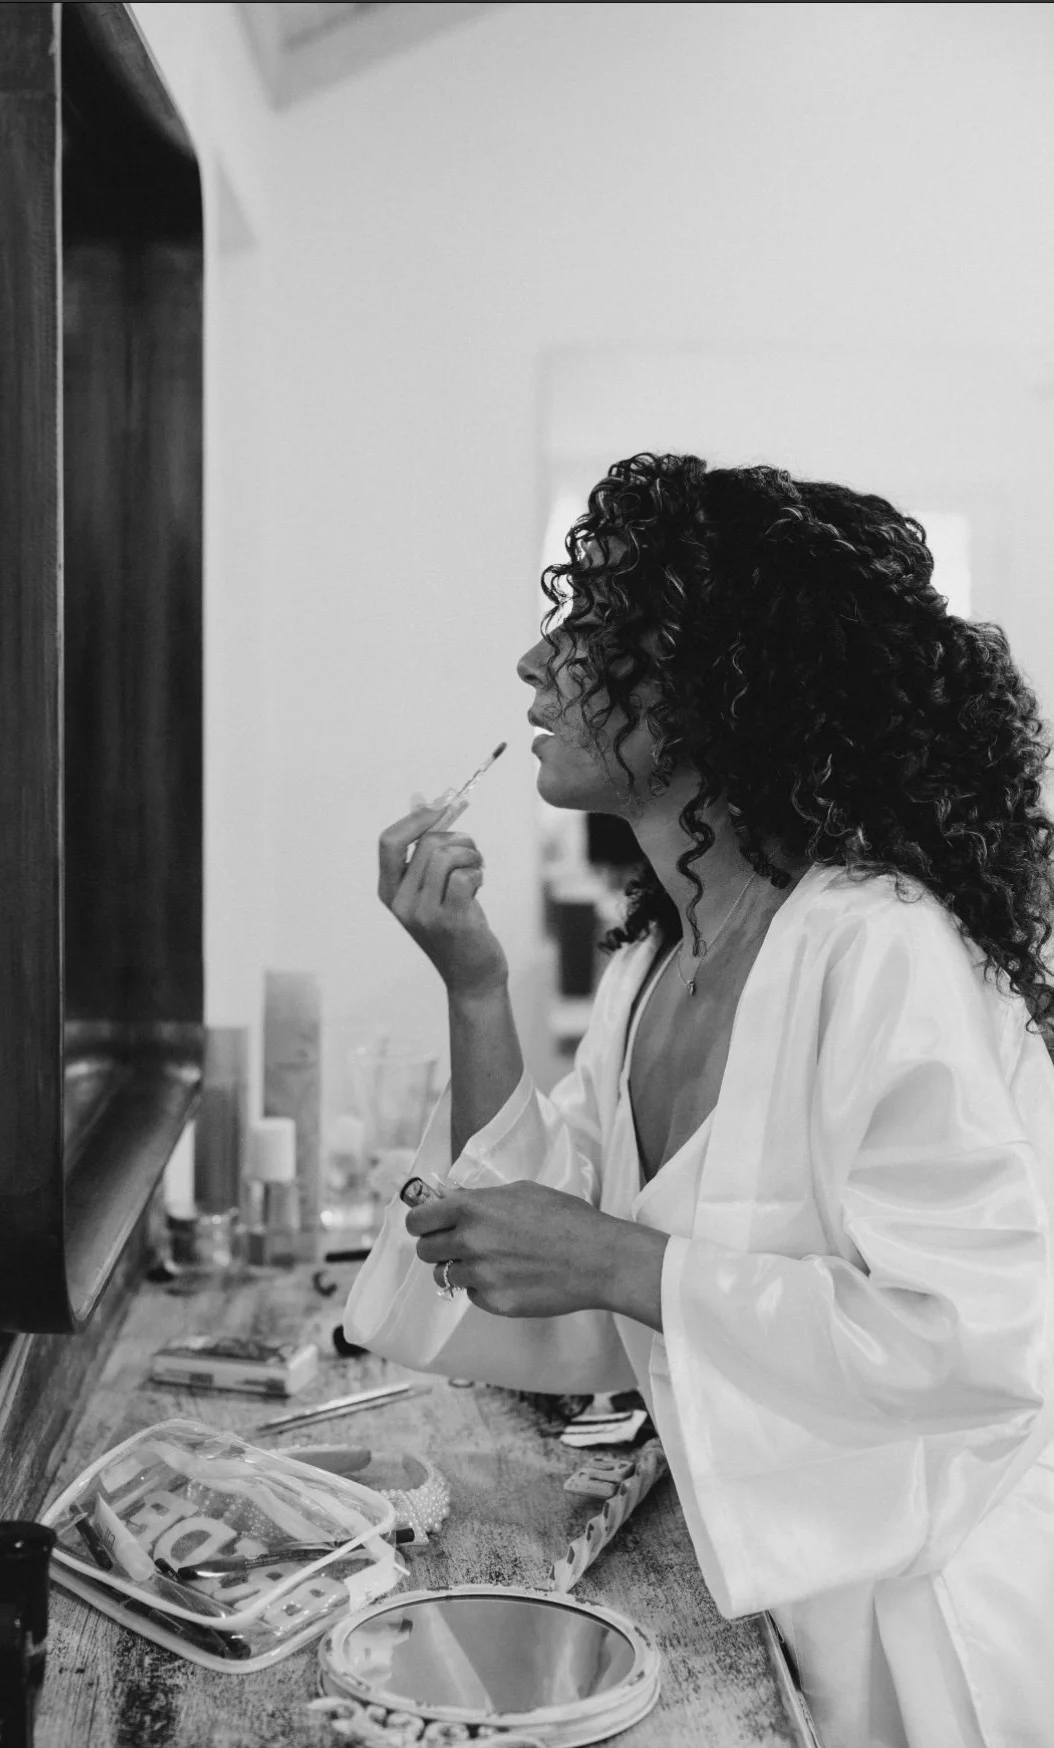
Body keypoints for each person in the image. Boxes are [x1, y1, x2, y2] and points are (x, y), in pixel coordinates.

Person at [344, 452, 1054, 1748]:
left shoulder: (870, 945)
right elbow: (535, 1241)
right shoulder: (654, 967)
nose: (532, 666)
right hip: (783, 1612)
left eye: (588, 626)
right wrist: (474, 978)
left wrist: (621, 1260)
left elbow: (978, 1338)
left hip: (934, 1641)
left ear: (719, 686)